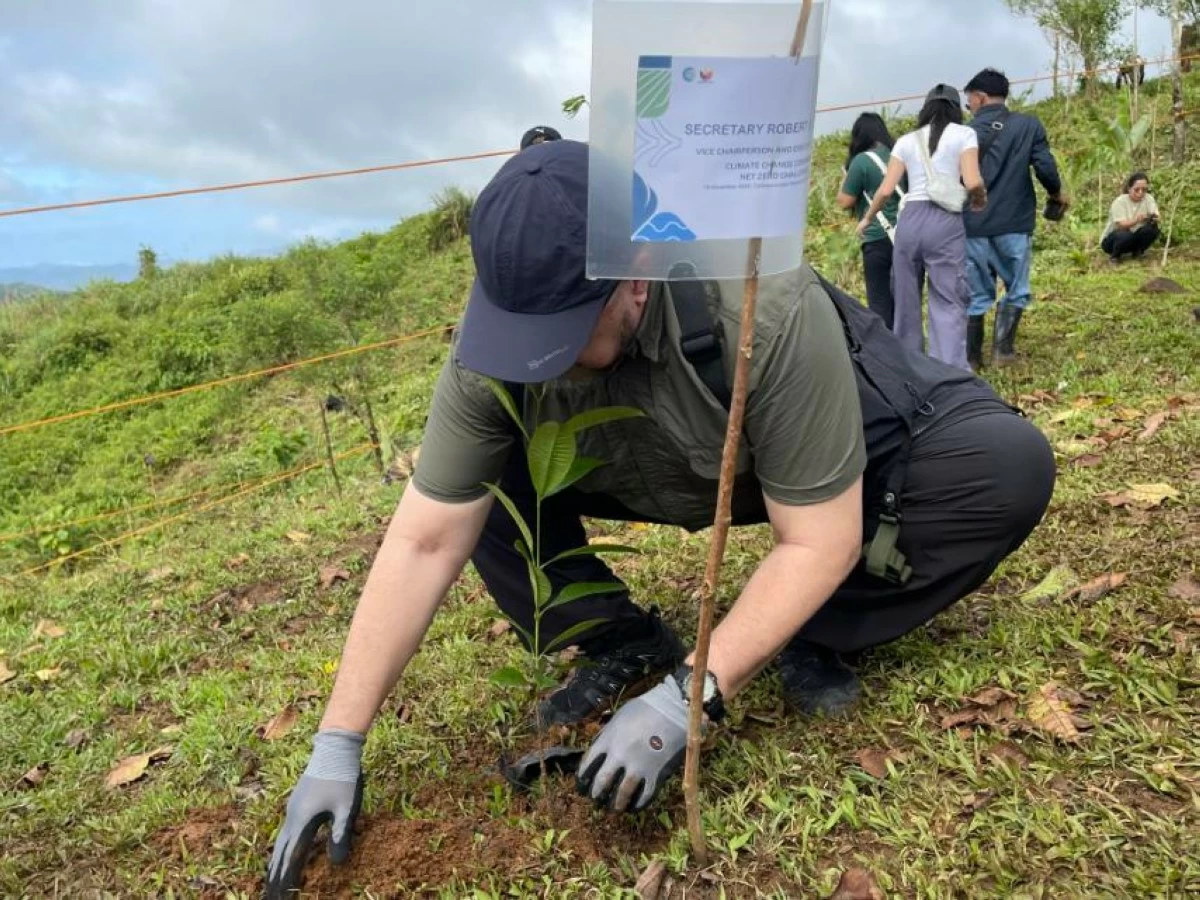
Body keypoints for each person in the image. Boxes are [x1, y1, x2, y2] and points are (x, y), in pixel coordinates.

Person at [265, 140, 1055, 896]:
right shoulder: (497, 340)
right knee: (479, 479)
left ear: (633, 277)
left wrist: (689, 696)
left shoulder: (760, 298)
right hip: (664, 465)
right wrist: (338, 743)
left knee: (1005, 467)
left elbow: (819, 536)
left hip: (834, 443)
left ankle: (811, 629)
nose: (539, 357)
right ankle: (617, 635)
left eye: (564, 336)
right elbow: (425, 535)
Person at [859, 84, 986, 371]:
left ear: (925, 109)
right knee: (948, 298)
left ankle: (908, 367)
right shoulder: (964, 134)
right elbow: (974, 181)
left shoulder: (906, 141)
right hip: (944, 222)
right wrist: (979, 199)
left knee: (905, 300)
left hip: (910, 222)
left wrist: (867, 218)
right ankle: (949, 370)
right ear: (956, 109)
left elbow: (885, 190)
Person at [962, 67, 1068, 369]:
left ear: (980, 97)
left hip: (973, 224)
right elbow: (1045, 166)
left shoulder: (965, 133)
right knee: (1016, 288)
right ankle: (1002, 353)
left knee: (976, 291)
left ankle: (971, 358)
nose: (968, 105)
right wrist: (1056, 193)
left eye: (969, 98)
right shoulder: (1028, 125)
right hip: (1013, 222)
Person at [837, 113, 903, 329]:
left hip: (877, 236)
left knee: (880, 299)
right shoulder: (898, 154)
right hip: (906, 233)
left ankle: (887, 349)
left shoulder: (861, 161)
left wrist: (844, 178)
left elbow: (845, 201)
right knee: (905, 296)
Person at [1101, 172, 1160, 264]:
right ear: (1129, 189)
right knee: (1124, 234)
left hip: (1133, 237)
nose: (1140, 193)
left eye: (1144, 190)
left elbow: (1157, 215)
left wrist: (1153, 218)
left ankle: (1138, 252)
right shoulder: (1120, 202)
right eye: (1137, 190)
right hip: (1112, 240)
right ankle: (1115, 256)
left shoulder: (1148, 199)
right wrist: (1136, 220)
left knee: (1152, 229)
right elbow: (1120, 225)